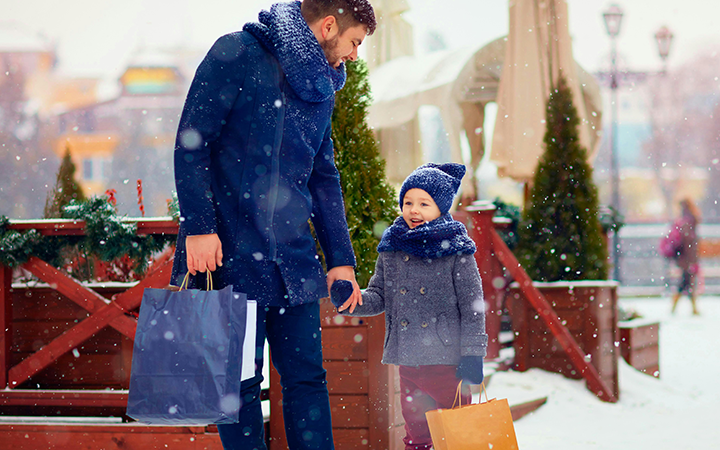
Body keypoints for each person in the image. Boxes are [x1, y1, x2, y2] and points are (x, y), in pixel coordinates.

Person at [170, 1, 376, 449]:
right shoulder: (238, 53)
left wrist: (340, 259)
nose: (355, 55)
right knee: (238, 386)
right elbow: (191, 145)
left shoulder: (322, 86)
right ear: (327, 26)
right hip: (229, 259)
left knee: (307, 380)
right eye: (355, 41)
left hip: (293, 263)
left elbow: (323, 175)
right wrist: (201, 228)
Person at [329, 163, 488, 450]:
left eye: (424, 203)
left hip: (448, 364)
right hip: (409, 362)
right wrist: (351, 301)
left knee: (457, 435)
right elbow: (379, 295)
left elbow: (473, 306)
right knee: (417, 437)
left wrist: (473, 354)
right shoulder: (392, 247)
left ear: (441, 208)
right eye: (408, 202)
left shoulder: (457, 249)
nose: (414, 210)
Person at [671, 197, 702, 315]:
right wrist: (692, 259)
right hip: (687, 258)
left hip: (684, 257)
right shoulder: (689, 220)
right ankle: (691, 308)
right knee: (687, 282)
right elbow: (689, 241)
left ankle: (685, 307)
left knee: (686, 282)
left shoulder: (684, 220)